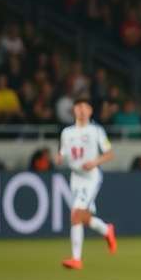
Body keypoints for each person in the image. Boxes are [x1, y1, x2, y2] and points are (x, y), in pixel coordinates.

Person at [55, 95, 117, 269]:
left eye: (85, 107)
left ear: (90, 111)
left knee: (75, 214)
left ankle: (76, 259)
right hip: (75, 177)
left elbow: (110, 153)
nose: (81, 110)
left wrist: (95, 162)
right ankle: (107, 230)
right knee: (83, 217)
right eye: (78, 106)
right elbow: (64, 153)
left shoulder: (96, 131)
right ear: (74, 110)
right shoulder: (67, 133)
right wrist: (60, 157)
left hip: (91, 177)